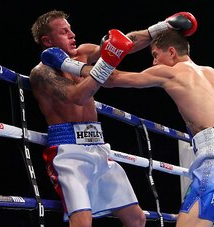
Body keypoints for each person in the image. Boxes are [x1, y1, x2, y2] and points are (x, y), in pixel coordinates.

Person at [29, 10, 197, 227]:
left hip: (98, 147)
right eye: (64, 32)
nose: (72, 35)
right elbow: (77, 96)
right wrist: (105, 64)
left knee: (137, 219)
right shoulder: (42, 73)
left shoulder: (83, 53)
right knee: (81, 221)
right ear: (47, 40)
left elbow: (123, 45)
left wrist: (162, 27)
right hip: (67, 150)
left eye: (70, 29)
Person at [103, 29, 214, 227]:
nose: (153, 63)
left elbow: (113, 79)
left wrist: (73, 65)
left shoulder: (171, 72)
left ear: (171, 52)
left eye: (155, 55)